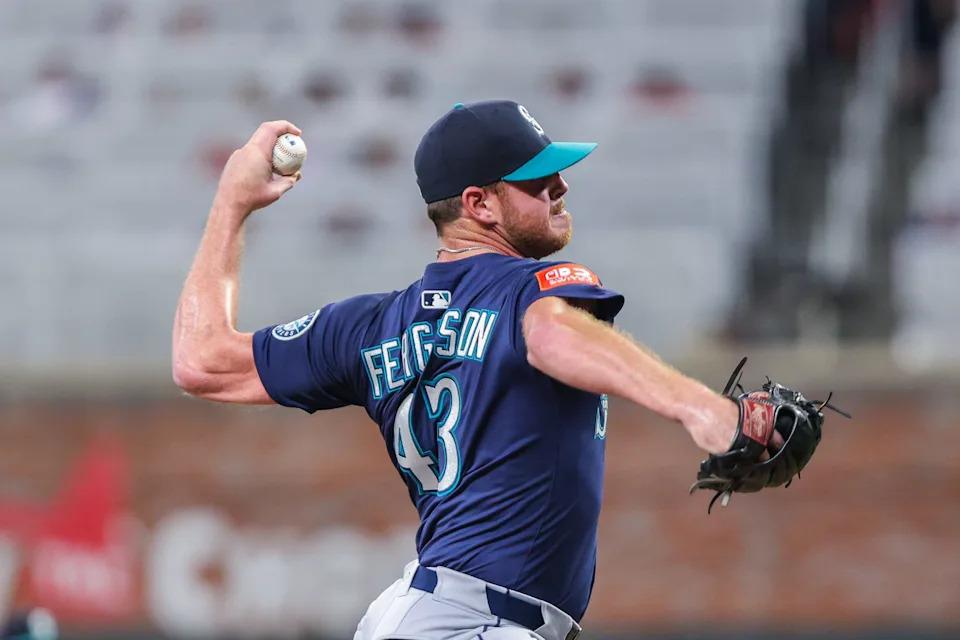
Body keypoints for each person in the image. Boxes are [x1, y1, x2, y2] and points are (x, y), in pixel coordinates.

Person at [172, 100, 743, 640]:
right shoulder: (531, 288)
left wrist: (231, 203)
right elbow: (548, 336)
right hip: (473, 620)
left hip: (435, 613)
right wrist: (706, 410)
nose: (560, 186)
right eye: (534, 178)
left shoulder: (370, 327)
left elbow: (202, 361)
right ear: (480, 205)